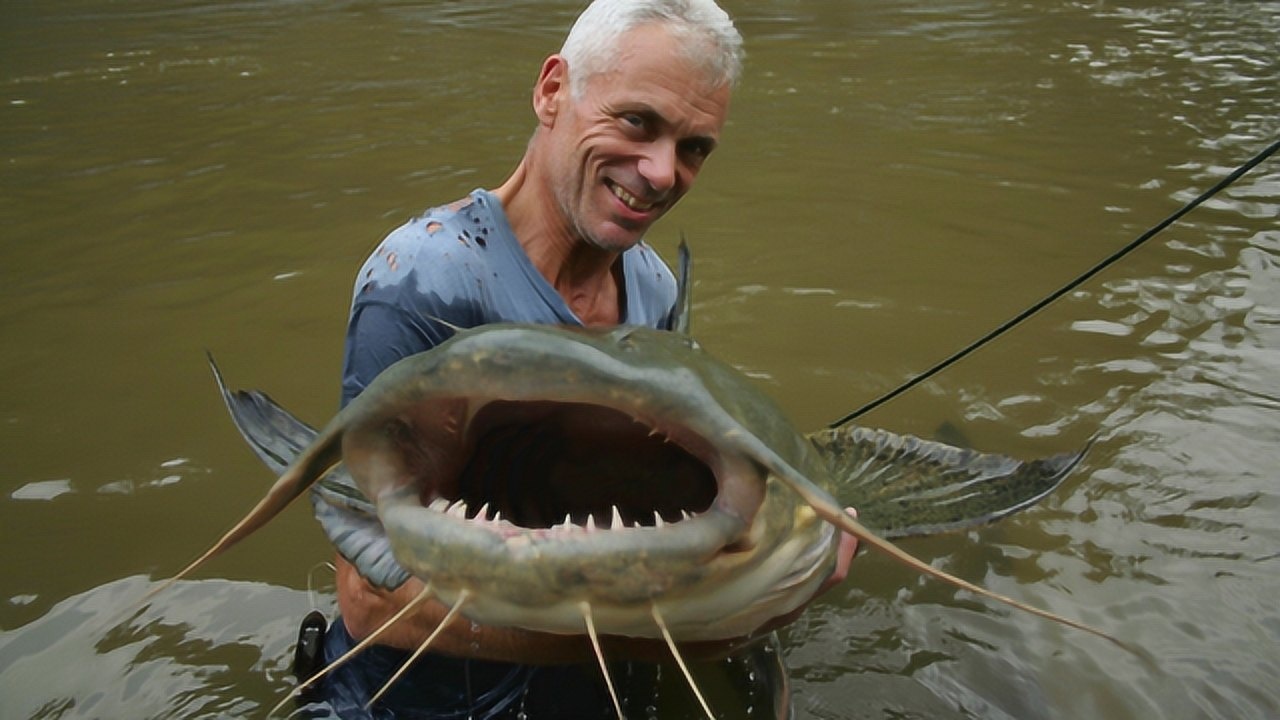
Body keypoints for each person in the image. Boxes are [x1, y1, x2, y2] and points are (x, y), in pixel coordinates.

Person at [310, 1, 858, 717]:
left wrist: (772, 572)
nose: (662, 173)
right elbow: (367, 601)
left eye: (694, 148)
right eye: (638, 122)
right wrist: (673, 642)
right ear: (551, 91)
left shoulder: (653, 282)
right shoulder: (419, 281)